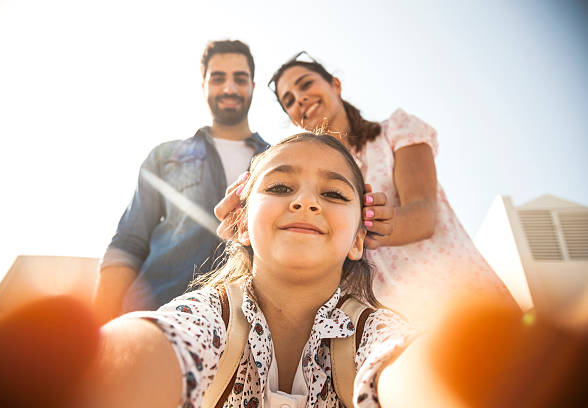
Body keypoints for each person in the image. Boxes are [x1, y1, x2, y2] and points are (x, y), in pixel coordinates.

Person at [79, 133, 414, 408]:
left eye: (334, 193)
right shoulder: (209, 314)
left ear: (359, 241)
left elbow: (411, 369)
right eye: (280, 187)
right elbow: (160, 342)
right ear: (241, 225)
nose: (306, 202)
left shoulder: (373, 330)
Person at [217, 52, 515, 328]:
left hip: (454, 291)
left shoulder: (395, 132)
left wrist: (356, 224)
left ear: (335, 84)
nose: (301, 99)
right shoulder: (304, 179)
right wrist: (255, 224)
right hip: (383, 316)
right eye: (290, 100)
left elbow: (423, 215)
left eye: (306, 84)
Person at [93, 40, 268, 323]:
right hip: (153, 315)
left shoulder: (277, 161)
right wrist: (98, 321)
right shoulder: (165, 156)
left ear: (253, 86)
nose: (229, 88)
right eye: (218, 78)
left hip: (245, 327)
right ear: (203, 86)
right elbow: (129, 241)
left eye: (240, 78)